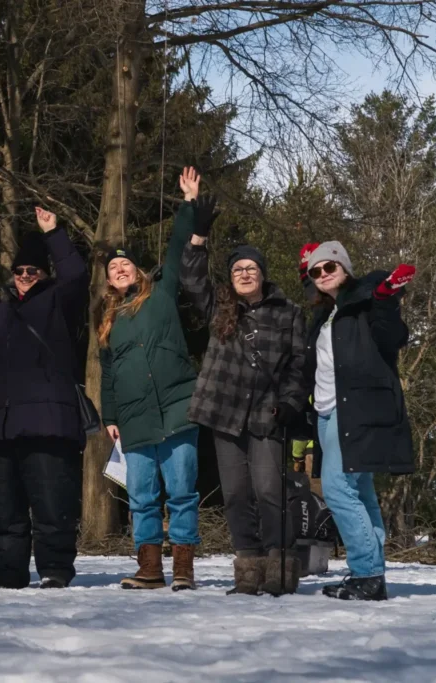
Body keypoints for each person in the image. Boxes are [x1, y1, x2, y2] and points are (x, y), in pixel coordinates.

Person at [180, 191, 308, 595]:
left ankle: (279, 568)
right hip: (223, 413)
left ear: (263, 274)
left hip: (266, 414)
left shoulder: (288, 312)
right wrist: (198, 236)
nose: (245, 274)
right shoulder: (220, 306)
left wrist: (288, 403)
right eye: (238, 269)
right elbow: (190, 278)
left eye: (252, 268)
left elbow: (298, 365)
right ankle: (248, 572)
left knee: (270, 491)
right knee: (235, 494)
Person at [0, 207, 89, 589]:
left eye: (32, 271)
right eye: (19, 272)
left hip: (47, 421)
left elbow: (77, 274)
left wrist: (54, 233)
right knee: (4, 507)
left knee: (52, 502)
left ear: (44, 273)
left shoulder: (59, 301)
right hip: (0, 425)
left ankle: (54, 568)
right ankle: (8, 569)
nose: (24, 277)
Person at [97, 167, 200, 591]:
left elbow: (177, 248)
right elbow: (107, 372)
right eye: (113, 266)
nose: (120, 268)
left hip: (178, 407)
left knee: (181, 493)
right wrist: (110, 414)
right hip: (135, 419)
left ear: (138, 271)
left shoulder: (161, 292)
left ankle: (183, 571)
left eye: (126, 263)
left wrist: (189, 203)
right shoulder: (107, 320)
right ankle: (149, 569)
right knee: (141, 497)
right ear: (107, 279)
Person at [301, 241, 415, 601]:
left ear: (345, 268)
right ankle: (370, 573)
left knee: (337, 489)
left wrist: (385, 298)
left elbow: (393, 337)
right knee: (360, 492)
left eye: (329, 267)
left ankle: (367, 572)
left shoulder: (367, 300)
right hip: (325, 412)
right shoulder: (326, 315)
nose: (322, 275)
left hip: (356, 410)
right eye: (315, 271)